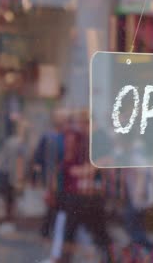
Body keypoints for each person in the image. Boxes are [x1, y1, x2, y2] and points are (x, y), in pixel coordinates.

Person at [44, 110, 114, 263]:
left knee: (93, 231)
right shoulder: (79, 137)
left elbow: (107, 160)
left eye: (77, 122)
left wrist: (88, 169)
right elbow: (68, 165)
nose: (76, 126)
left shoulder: (97, 137)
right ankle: (65, 258)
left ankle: (106, 258)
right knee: (76, 230)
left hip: (89, 193)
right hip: (79, 193)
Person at [32, 108, 69, 239]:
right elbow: (38, 157)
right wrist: (38, 176)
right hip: (52, 175)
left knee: (60, 204)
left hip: (66, 176)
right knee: (53, 203)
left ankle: (55, 230)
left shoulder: (68, 136)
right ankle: (48, 230)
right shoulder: (48, 136)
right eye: (60, 118)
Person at [0, 118, 28, 235]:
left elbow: (2, 160)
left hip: (9, 175)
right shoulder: (18, 143)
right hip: (12, 176)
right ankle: (9, 223)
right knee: (11, 201)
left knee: (9, 201)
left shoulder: (11, 141)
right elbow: (18, 163)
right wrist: (18, 179)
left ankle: (9, 223)